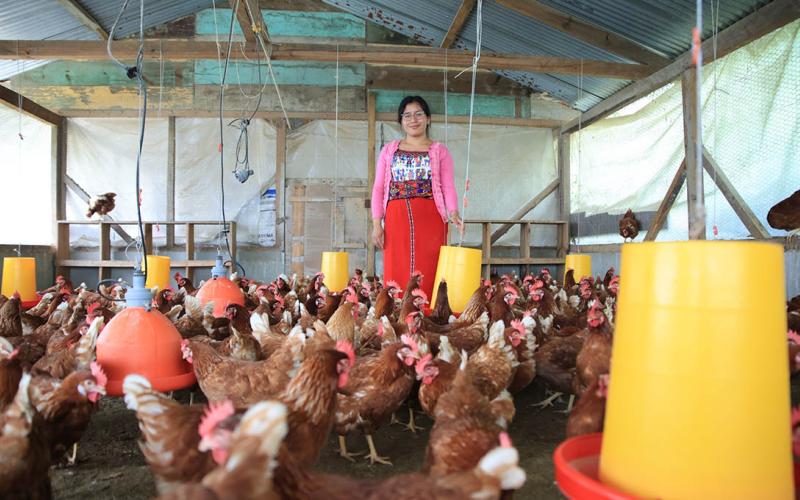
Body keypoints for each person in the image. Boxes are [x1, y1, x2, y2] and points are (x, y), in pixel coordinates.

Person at [371, 96, 463, 300]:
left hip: (431, 216)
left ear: (428, 119)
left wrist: (453, 212)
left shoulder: (440, 151)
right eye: (407, 115)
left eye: (419, 114)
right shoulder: (389, 150)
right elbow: (378, 187)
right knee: (397, 262)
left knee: (430, 264)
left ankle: (429, 314)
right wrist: (377, 224)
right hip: (396, 216)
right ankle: (397, 313)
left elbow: (448, 186)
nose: (413, 119)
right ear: (401, 121)